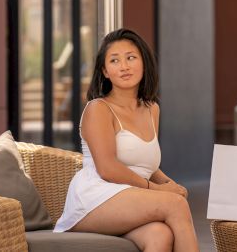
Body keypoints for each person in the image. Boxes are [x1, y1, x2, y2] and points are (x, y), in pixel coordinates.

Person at [54, 28, 199, 252]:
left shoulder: (152, 109)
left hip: (128, 197)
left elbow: (146, 165)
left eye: (131, 58)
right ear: (105, 71)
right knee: (175, 205)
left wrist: (171, 185)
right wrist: (158, 191)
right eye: (114, 60)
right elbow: (108, 169)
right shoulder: (99, 109)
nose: (124, 66)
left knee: (159, 235)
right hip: (94, 198)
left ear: (144, 63)